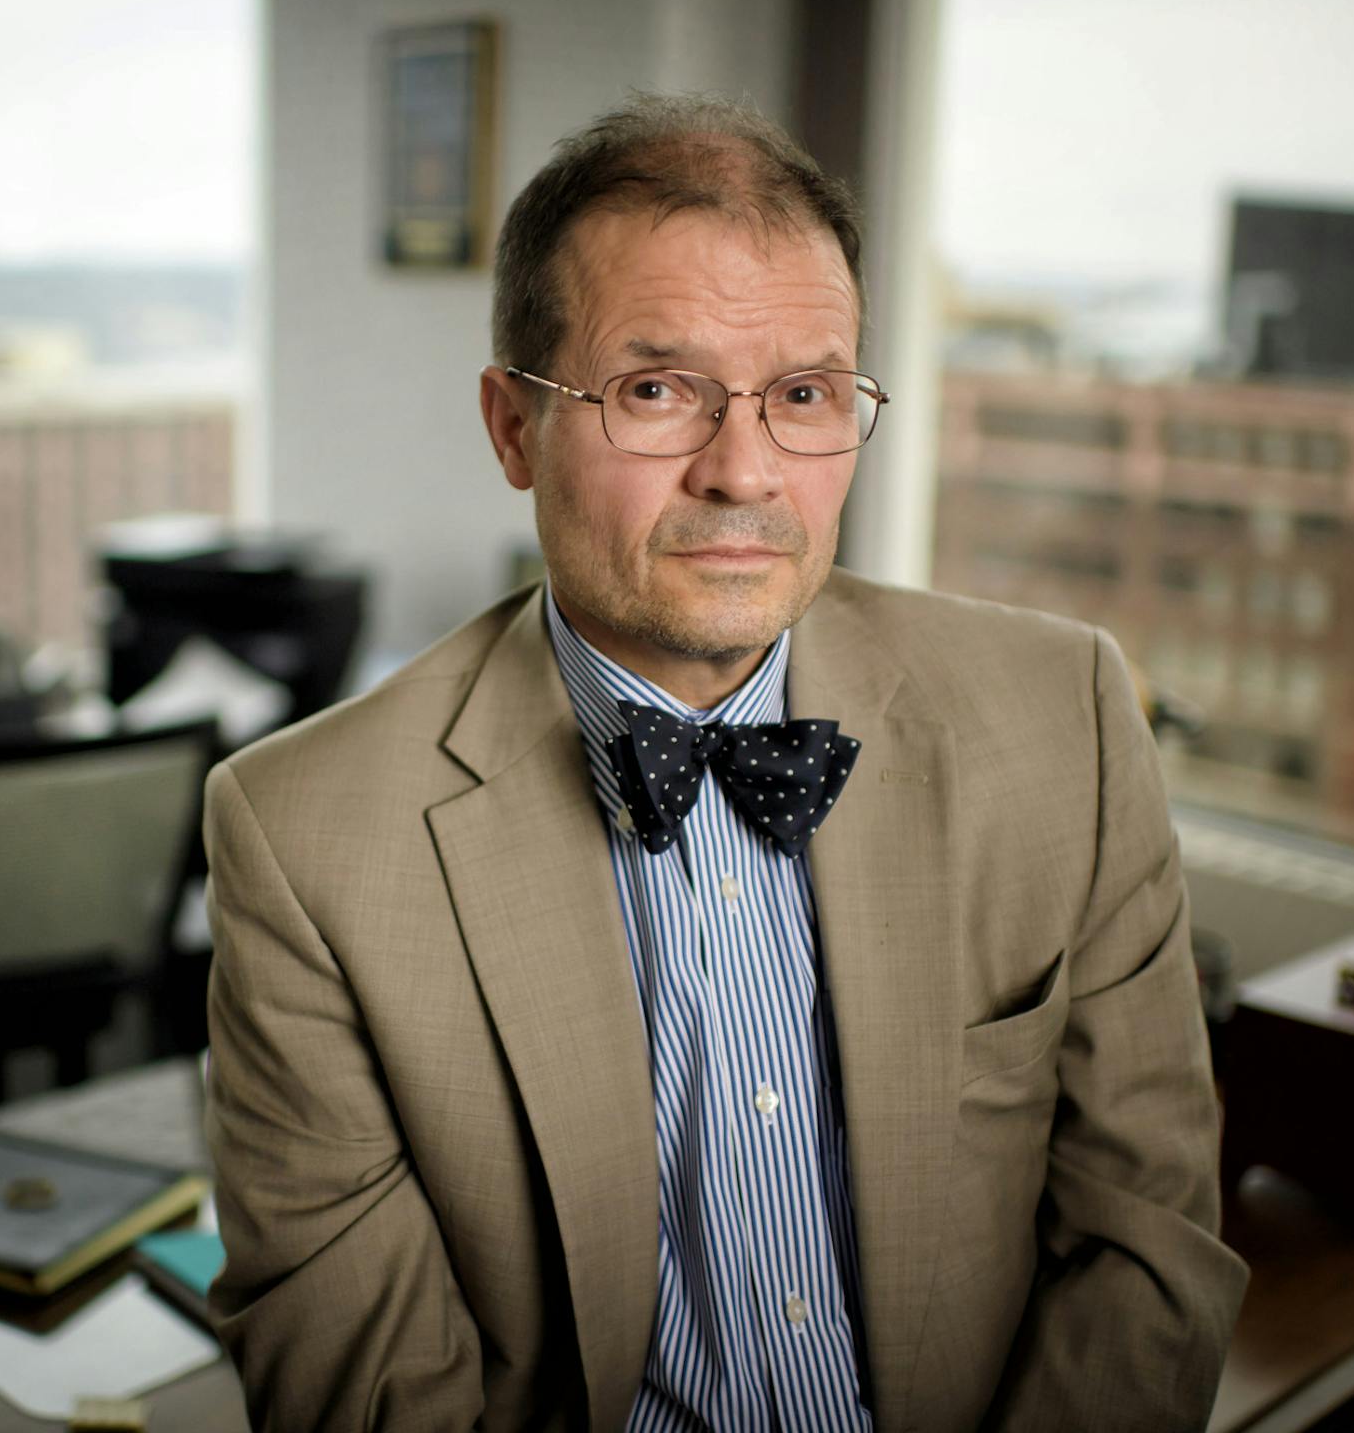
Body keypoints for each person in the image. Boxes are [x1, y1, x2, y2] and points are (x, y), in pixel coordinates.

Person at [202, 93, 1247, 1433]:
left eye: (805, 394)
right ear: (514, 425)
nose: (744, 470)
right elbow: (366, 1389)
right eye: (657, 391)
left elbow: (1146, 1243)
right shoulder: (307, 840)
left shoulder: (1069, 720)